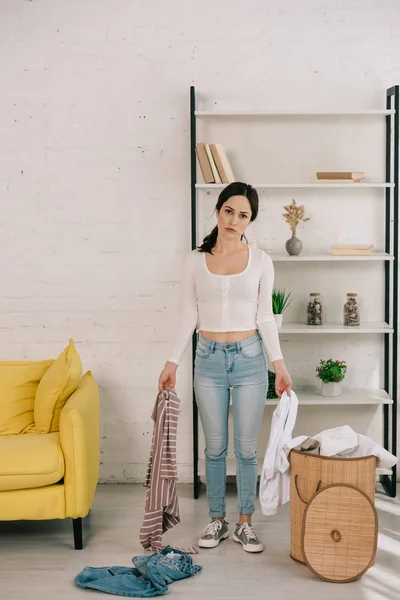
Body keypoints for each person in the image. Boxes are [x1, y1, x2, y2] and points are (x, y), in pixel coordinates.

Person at [158, 182, 292, 553]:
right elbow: (188, 316)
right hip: (209, 361)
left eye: (244, 215)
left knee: (247, 449)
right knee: (215, 448)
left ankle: (245, 523)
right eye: (229, 211)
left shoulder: (262, 261)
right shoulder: (194, 261)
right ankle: (217, 520)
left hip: (250, 360)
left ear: (251, 221)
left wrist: (278, 365)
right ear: (217, 211)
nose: (235, 220)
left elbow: (265, 317)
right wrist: (172, 362)